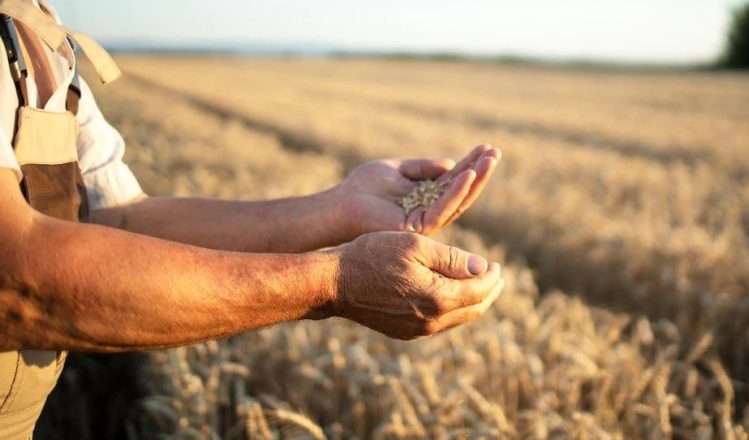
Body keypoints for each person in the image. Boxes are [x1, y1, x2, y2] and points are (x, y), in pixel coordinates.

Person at [0, 0, 504, 438]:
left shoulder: (38, 29)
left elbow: (118, 220)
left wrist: (338, 207)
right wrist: (334, 282)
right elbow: (15, 278)